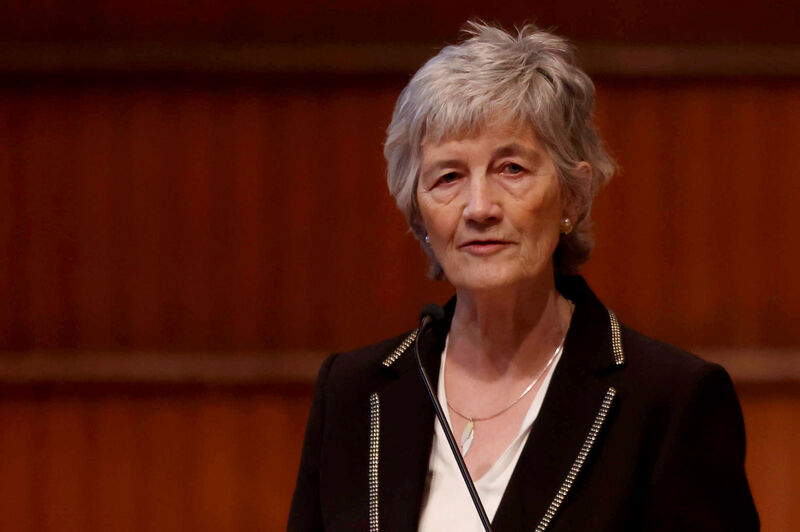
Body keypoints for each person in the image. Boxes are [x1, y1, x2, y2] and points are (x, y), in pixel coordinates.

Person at [288, 21, 759, 531]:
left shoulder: (669, 400)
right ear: (420, 217)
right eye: (448, 177)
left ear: (572, 197)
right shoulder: (354, 393)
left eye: (511, 168)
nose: (479, 207)